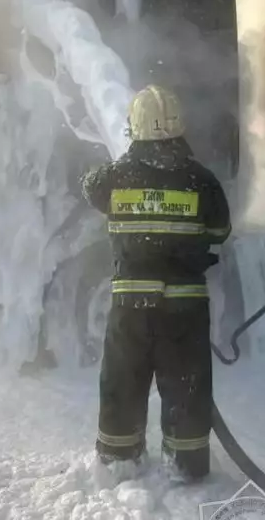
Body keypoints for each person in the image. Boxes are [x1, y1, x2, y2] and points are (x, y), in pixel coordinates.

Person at [81, 84, 232, 482]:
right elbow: (220, 231)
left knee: (123, 381)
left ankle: (118, 460)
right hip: (184, 307)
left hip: (130, 306)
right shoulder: (202, 180)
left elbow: (89, 188)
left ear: (134, 129)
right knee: (186, 385)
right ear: (180, 128)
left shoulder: (114, 178)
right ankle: (186, 466)